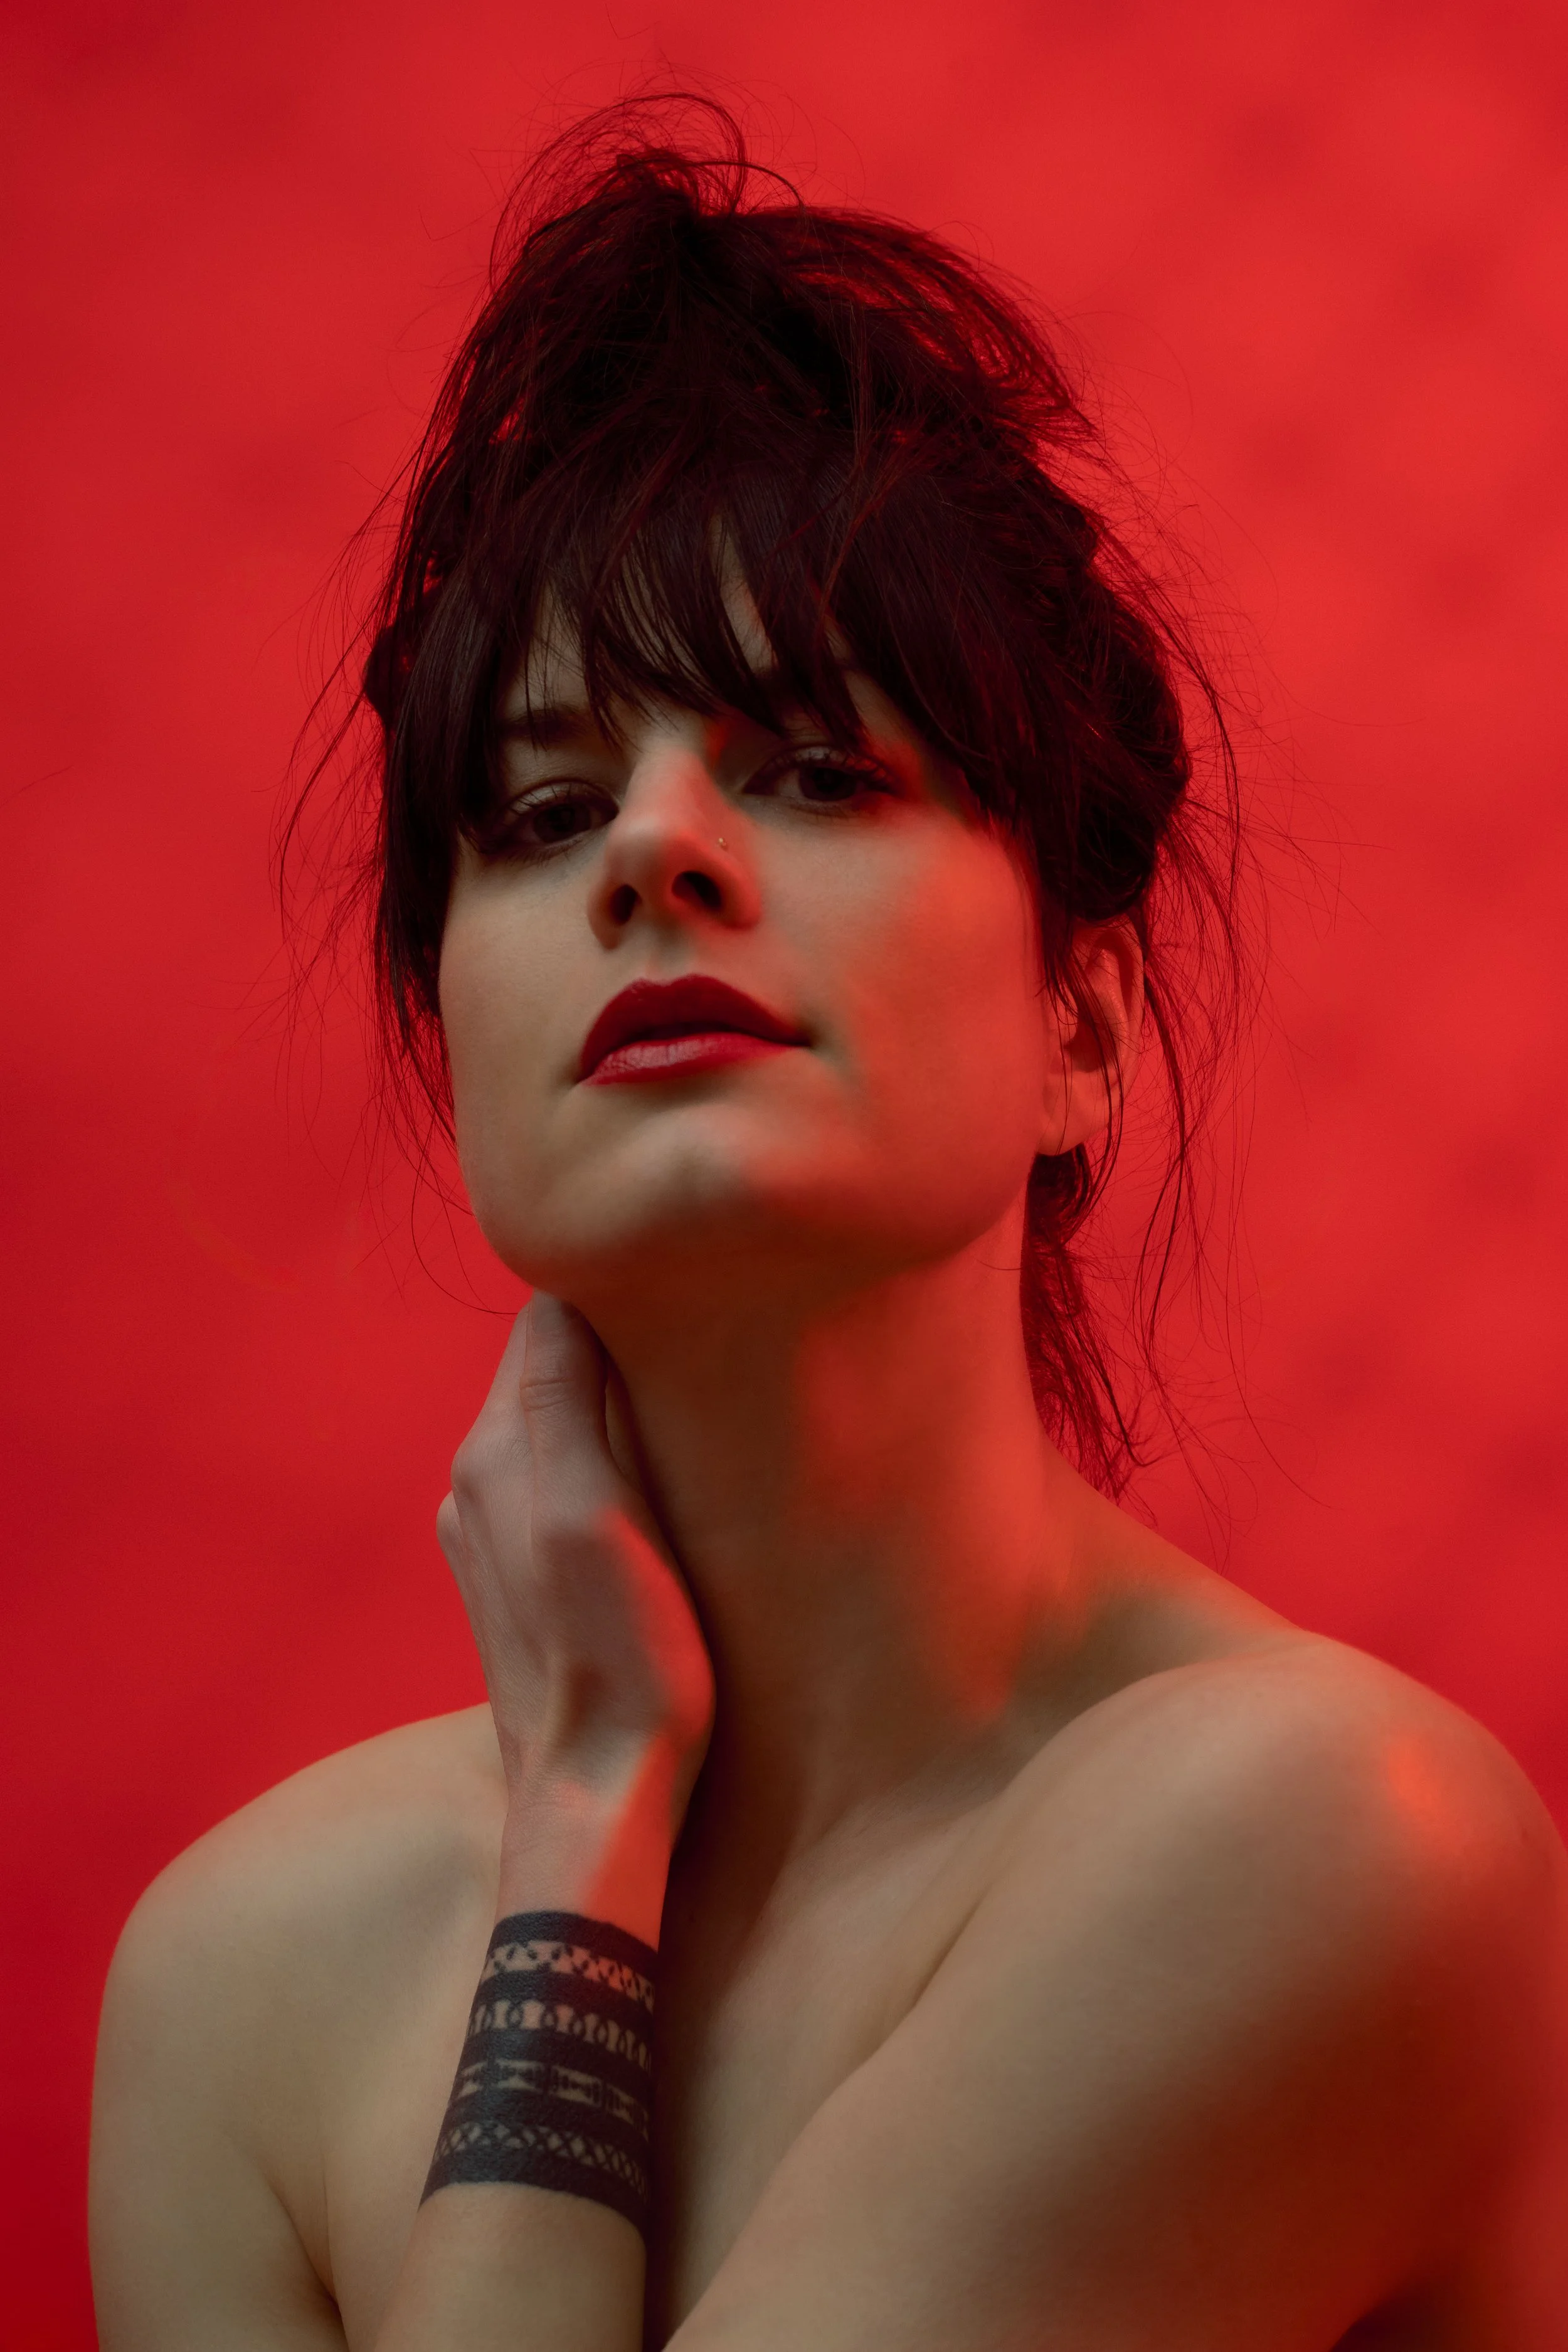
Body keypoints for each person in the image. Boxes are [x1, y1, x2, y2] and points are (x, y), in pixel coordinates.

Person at [88, 100, 1568, 2351]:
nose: (652, 857)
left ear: (1084, 1017)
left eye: (814, 771)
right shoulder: (242, 1971)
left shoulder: (1323, 1831)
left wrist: (580, 1839)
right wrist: (585, 1820)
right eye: (544, 804)